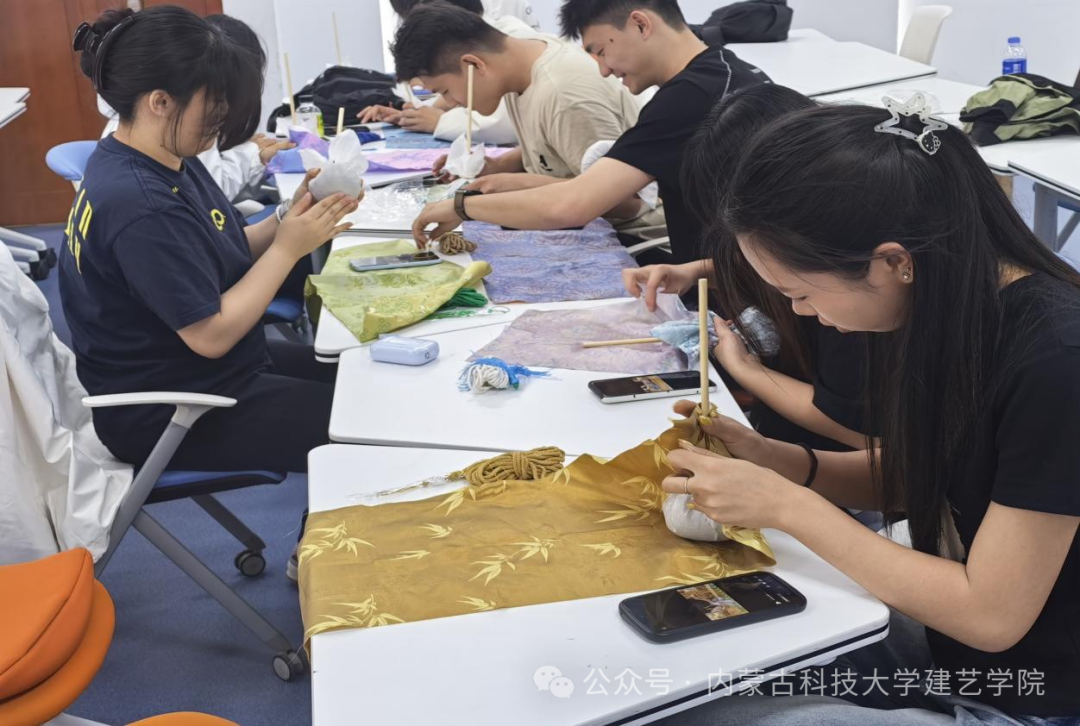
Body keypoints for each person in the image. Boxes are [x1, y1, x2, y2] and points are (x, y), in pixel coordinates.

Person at [653, 101, 1080, 723]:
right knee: (691, 674)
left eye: (800, 293)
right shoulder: (943, 303)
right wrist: (780, 461)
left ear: (893, 262)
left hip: (1031, 693)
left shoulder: (1057, 362)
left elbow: (991, 616)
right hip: (954, 646)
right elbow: (928, 474)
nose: (798, 313)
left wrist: (787, 506)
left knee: (701, 712)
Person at [60, 6, 358, 479]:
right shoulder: (140, 204)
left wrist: (288, 214)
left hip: (207, 374)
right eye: (215, 101)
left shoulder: (159, 157)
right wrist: (288, 248)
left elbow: (223, 246)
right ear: (160, 101)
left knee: (368, 377)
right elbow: (211, 336)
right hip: (170, 410)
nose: (224, 116)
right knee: (368, 422)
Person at [411, 0, 769, 263]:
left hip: (742, 288)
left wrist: (463, 207)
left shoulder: (688, 100)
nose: (602, 71)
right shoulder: (724, 71)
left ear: (640, 25)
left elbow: (572, 206)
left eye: (600, 51)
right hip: (730, 272)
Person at [623, 84, 867, 451]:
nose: (799, 305)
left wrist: (745, 369)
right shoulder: (815, 254)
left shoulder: (849, 301)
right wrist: (695, 271)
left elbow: (856, 430)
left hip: (823, 456)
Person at [389, 2, 642, 208]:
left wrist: (516, 186)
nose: (451, 103)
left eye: (445, 91)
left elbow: (626, 202)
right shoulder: (521, 62)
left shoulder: (565, 98)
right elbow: (554, 146)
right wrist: (497, 166)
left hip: (630, 239)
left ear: (474, 65)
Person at [97, 14, 293, 205]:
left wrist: (281, 216)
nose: (224, 109)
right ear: (161, 102)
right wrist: (251, 155)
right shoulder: (182, 135)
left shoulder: (160, 137)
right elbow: (213, 190)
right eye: (217, 98)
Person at [359, 0, 537, 145]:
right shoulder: (486, 39)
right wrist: (414, 116)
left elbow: (505, 124)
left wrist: (440, 121)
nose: (451, 100)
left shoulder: (511, 42)